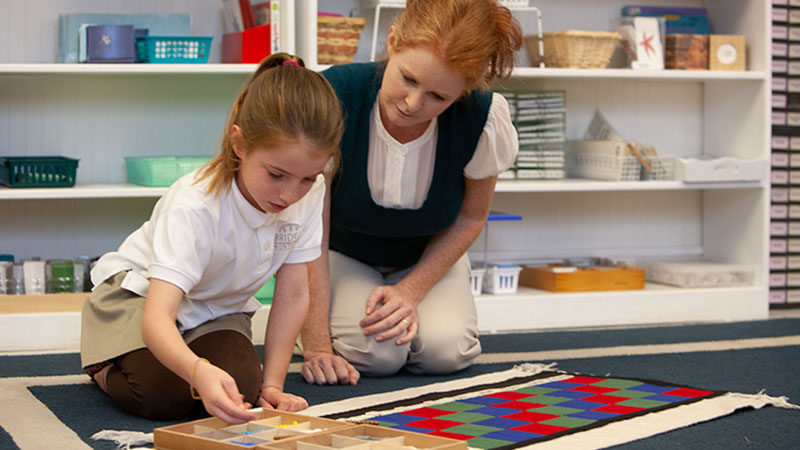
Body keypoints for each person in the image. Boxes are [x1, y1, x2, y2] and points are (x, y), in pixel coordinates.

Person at [80, 53, 343, 423]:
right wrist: (197, 370)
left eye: (307, 179)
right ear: (239, 143)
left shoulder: (310, 193)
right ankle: (104, 363)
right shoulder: (195, 204)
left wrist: (273, 386)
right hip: (140, 297)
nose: (289, 195)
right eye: (276, 175)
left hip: (216, 307)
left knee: (243, 390)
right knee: (163, 396)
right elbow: (158, 317)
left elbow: (294, 292)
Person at [300, 0, 522, 386]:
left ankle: (412, 322)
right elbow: (309, 228)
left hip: (429, 257)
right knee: (375, 355)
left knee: (446, 352)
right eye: (408, 78)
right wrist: (317, 345)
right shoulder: (334, 95)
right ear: (392, 42)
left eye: (439, 97)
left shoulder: (483, 117)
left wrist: (411, 290)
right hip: (343, 252)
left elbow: (471, 217)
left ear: (462, 92)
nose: (414, 103)